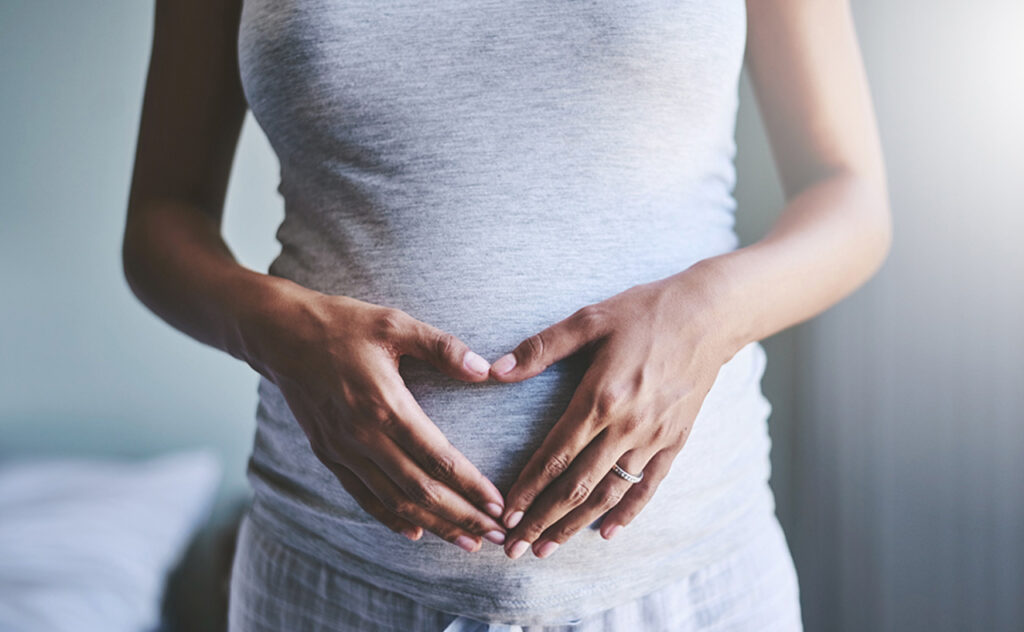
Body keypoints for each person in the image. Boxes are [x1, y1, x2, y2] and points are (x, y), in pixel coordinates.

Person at [123, 0, 891, 630]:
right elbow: (162, 217)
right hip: (334, 582)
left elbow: (849, 196)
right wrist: (276, 329)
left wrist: (708, 313)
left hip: (687, 584)